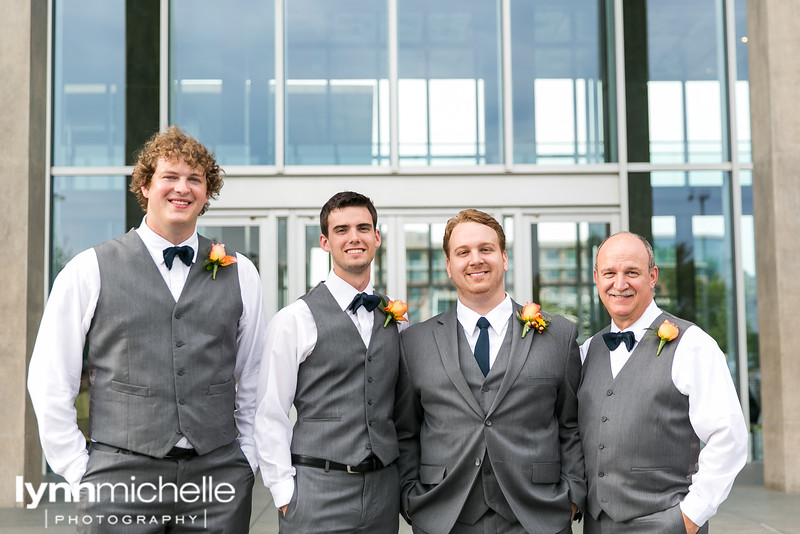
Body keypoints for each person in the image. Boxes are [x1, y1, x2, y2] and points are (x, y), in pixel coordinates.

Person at [27, 126, 266, 533]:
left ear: (207, 193)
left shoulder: (241, 272)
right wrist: (79, 470)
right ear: (144, 186)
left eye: (195, 179)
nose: (182, 188)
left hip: (218, 478)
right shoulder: (88, 269)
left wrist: (247, 458)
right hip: (119, 478)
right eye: (169, 177)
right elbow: (50, 378)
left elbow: (255, 377)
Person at [395, 209, 585, 534]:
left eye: (486, 249)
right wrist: (411, 497)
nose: (475, 260)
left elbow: (571, 424)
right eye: (463, 252)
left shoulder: (558, 336)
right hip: (444, 517)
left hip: (538, 516)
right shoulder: (413, 342)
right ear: (449, 266)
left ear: (504, 258)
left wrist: (571, 496)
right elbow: (406, 431)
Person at [254, 191, 406, 533]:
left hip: (383, 494)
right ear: (325, 241)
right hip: (315, 491)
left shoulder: (396, 319)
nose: (354, 237)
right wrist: (284, 492)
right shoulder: (294, 318)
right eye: (342, 230)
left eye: (363, 228)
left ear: (377, 237)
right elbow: (269, 412)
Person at [578, 232, 749, 534]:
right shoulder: (588, 349)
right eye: (609, 273)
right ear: (596, 278)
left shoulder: (693, 344)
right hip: (597, 525)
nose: (619, 284)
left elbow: (729, 437)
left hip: (668, 524)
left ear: (652, 276)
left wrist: (690, 517)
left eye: (632, 272)